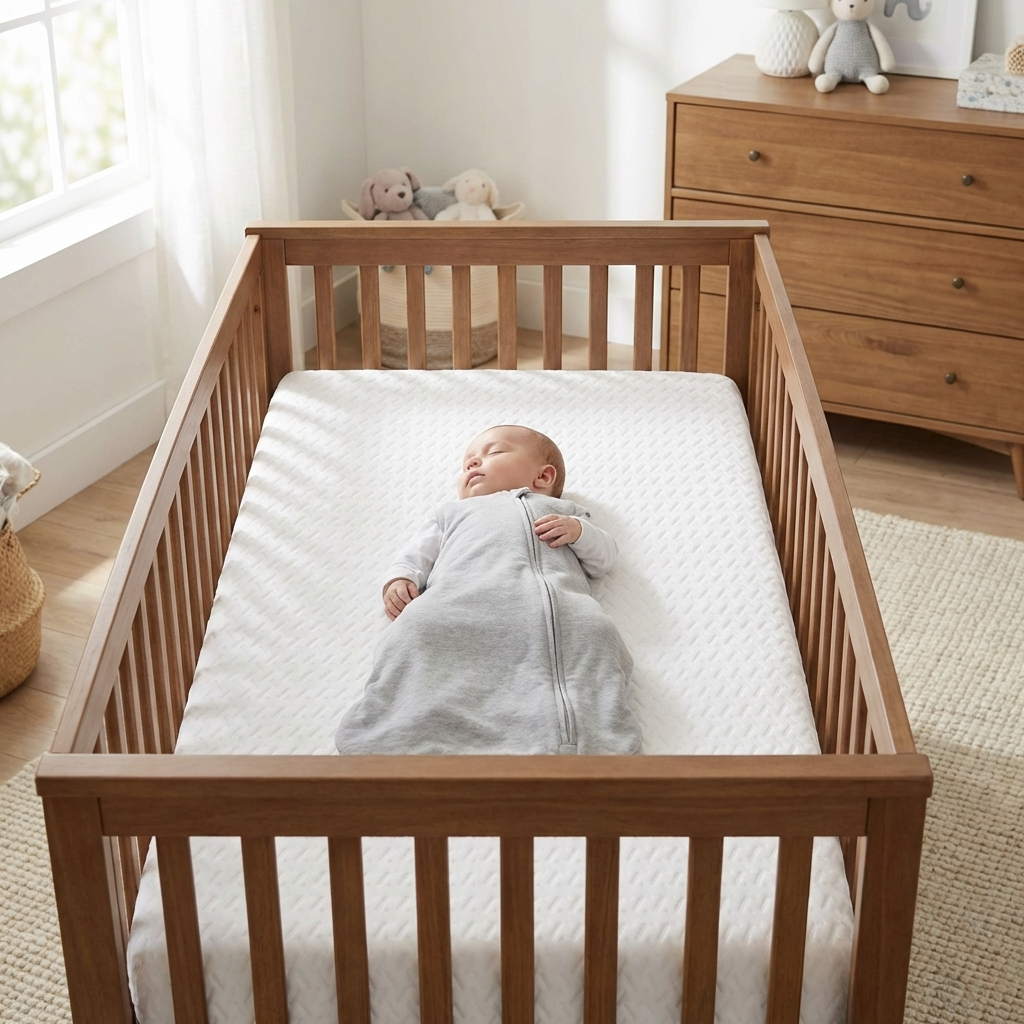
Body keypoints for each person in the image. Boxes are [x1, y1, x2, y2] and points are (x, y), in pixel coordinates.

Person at [334, 425, 641, 756]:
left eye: (493, 453)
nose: (472, 464)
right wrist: (400, 579)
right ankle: (399, 727)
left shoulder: (564, 512)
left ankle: (575, 733)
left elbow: (604, 560)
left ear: (544, 476)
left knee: (594, 630)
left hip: (547, 611)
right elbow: (416, 555)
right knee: (418, 626)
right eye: (467, 461)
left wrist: (579, 531)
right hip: (458, 604)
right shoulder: (452, 513)